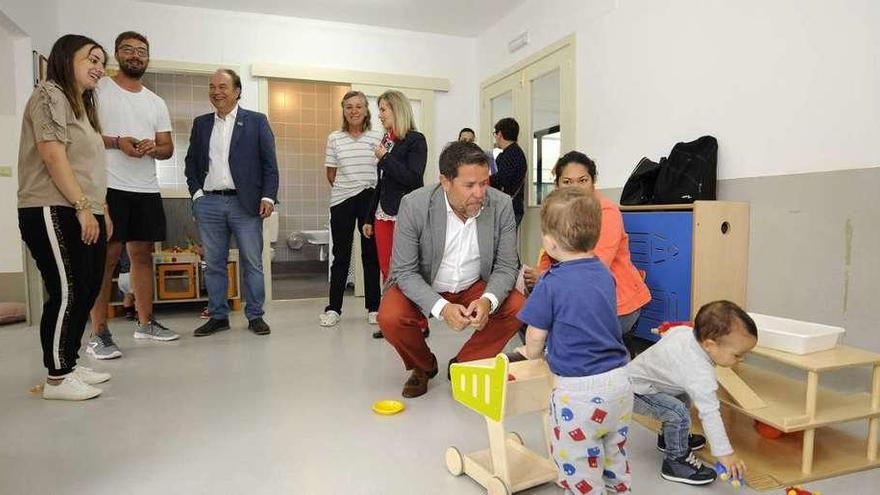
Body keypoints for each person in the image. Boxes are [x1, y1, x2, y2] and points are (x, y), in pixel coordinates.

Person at [376, 141, 524, 398]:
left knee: (518, 306)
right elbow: (404, 271)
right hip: (426, 283)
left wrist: (488, 300)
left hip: (474, 284)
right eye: (469, 185)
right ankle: (424, 366)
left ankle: (464, 364)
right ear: (445, 181)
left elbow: (506, 265)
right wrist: (442, 307)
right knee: (389, 316)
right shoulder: (415, 204)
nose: (479, 193)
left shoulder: (501, 205)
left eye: (484, 183)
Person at [519, 187, 633, 494]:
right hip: (620, 383)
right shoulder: (605, 275)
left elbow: (535, 334)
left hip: (578, 391)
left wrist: (532, 354)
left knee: (578, 463)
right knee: (614, 454)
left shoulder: (550, 282)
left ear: (550, 242)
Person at [17, 34, 113, 400]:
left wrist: (100, 209)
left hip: (78, 207)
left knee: (86, 287)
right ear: (65, 58)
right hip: (50, 207)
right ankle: (57, 377)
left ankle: (69, 363)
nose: (98, 68)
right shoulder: (49, 94)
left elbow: (86, 165)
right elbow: (53, 155)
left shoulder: (80, 106)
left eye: (101, 62)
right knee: (68, 289)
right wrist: (82, 207)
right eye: (91, 59)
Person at [88, 31, 178, 359]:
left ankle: (146, 322)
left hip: (145, 187)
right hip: (109, 186)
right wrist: (117, 142)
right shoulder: (98, 90)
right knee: (107, 259)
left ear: (147, 57)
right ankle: (99, 332)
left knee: (142, 256)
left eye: (142, 51)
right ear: (117, 54)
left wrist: (155, 147)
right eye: (128, 50)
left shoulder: (156, 102)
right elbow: (82, 137)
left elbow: (168, 148)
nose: (135, 55)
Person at [524, 151, 650, 355]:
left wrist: (546, 279)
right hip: (577, 294)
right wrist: (541, 272)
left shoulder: (606, 212)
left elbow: (595, 267)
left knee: (550, 331)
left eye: (582, 180)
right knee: (531, 310)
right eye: (567, 181)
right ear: (557, 185)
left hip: (616, 303)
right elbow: (551, 253)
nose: (575, 187)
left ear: (593, 182)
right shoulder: (560, 209)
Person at [185, 69, 278, 337]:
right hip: (210, 203)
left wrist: (268, 196)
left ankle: (255, 316)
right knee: (213, 263)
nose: (217, 91)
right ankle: (218, 316)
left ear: (237, 91)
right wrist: (197, 195)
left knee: (252, 262)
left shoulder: (256, 121)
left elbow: (270, 164)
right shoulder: (201, 124)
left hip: (245, 204)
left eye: (223, 86)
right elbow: (191, 163)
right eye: (212, 86)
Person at [628, 301, 756, 486]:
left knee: (683, 395)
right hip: (634, 391)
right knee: (678, 412)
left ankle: (670, 439)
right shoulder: (699, 373)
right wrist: (725, 454)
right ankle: (676, 461)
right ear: (709, 344)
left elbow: (670, 332)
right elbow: (710, 413)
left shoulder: (685, 333)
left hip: (644, 383)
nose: (741, 359)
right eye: (737, 355)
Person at [363, 89, 427, 339]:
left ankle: (419, 322)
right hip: (382, 214)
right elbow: (380, 182)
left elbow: (413, 178)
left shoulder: (416, 140)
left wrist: (385, 158)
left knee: (408, 271)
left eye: (383, 109)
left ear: (397, 110)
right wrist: (369, 217)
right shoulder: (387, 141)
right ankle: (391, 321)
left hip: (405, 214)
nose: (378, 115)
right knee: (387, 271)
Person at [319, 90, 382, 328]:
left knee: (370, 255)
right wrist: (349, 187)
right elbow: (331, 173)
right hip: (342, 200)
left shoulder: (378, 136)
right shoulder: (334, 137)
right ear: (343, 111)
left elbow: (382, 171)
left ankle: (374, 308)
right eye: (349, 107)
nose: (354, 111)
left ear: (366, 110)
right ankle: (334, 308)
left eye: (358, 106)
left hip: (369, 199)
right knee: (341, 256)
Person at [490, 118, 527, 228]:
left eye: (495, 133)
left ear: (500, 134)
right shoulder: (513, 152)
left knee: (504, 244)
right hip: (510, 207)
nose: (495, 137)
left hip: (508, 209)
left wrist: (485, 179)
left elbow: (502, 179)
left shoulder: (511, 154)